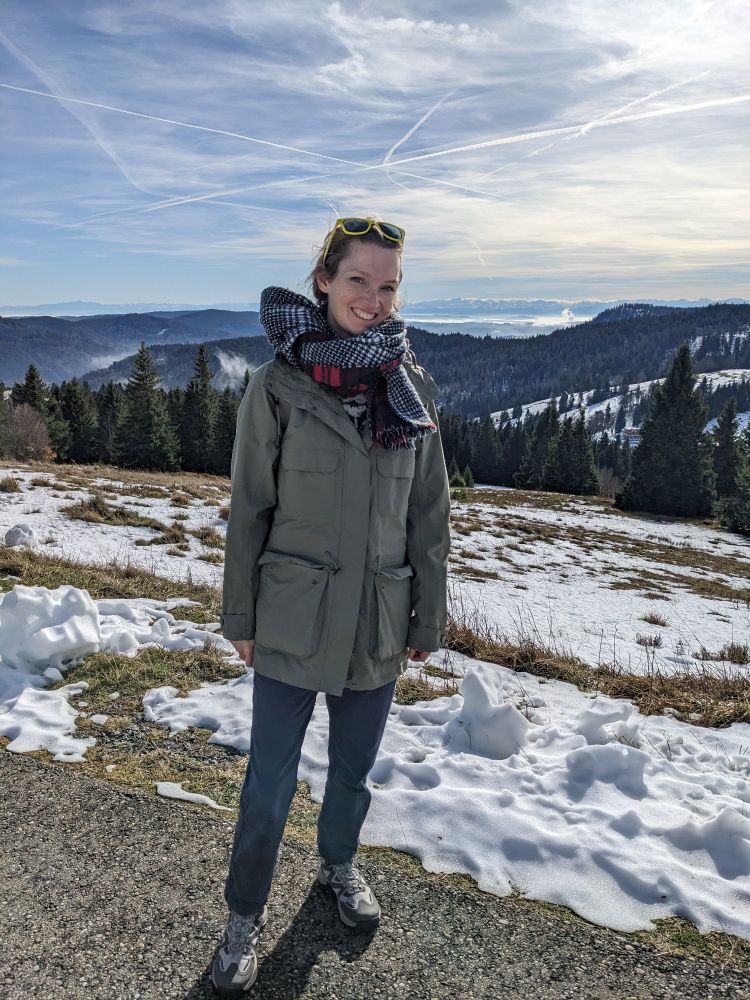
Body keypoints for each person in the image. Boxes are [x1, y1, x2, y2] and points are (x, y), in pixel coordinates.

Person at [212, 216, 450, 995]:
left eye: (388, 286)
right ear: (323, 280)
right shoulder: (277, 386)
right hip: (292, 618)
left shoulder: (411, 388)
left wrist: (427, 615)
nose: (373, 300)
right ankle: (243, 918)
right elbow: (250, 509)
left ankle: (337, 865)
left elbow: (428, 515)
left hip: (377, 622)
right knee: (269, 784)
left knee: (353, 771)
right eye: (358, 280)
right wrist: (240, 617)